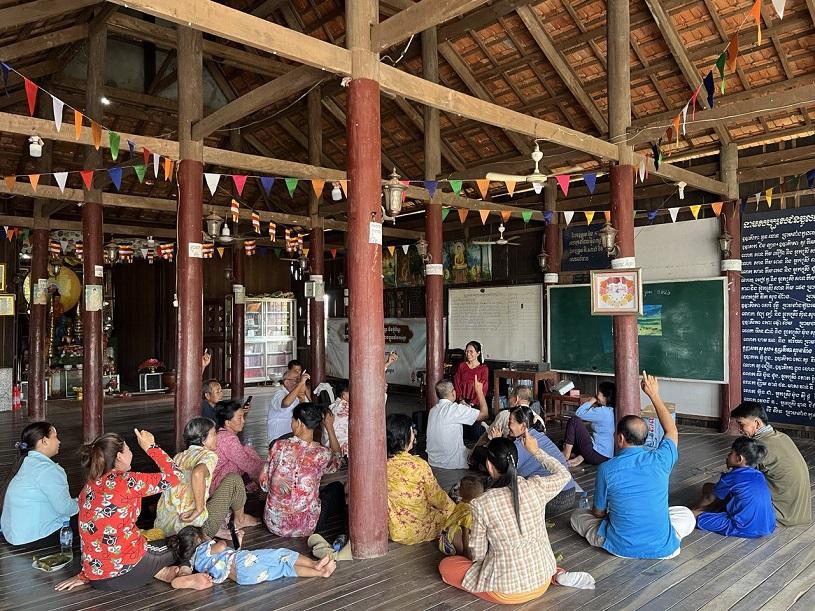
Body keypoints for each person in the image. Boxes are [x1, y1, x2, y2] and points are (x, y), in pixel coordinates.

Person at [571, 372, 695, 559]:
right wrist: (653, 394)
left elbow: (597, 513)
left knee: (577, 516)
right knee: (686, 514)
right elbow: (671, 429)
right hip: (664, 549)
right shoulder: (661, 459)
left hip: (619, 547)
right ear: (645, 439)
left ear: (620, 438)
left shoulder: (607, 468)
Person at [438, 434, 571, 605]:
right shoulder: (536, 487)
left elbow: (478, 555)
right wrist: (536, 451)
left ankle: (551, 574)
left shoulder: (482, 503)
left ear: (489, 466)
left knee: (446, 566)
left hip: (507, 592)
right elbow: (564, 474)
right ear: (515, 463)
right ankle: (557, 574)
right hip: (543, 579)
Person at [54, 429, 187, 591]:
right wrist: (151, 446)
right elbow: (176, 476)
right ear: (119, 457)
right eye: (129, 449)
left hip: (97, 578)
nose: (131, 452)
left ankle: (163, 572)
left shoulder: (89, 486)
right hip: (129, 571)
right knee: (190, 538)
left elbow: (89, 537)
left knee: (149, 539)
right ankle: (183, 573)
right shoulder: (128, 482)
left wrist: (85, 575)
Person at [167, 525, 336, 589]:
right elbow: (222, 547)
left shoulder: (197, 562)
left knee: (284, 569)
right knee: (282, 555)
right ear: (198, 539)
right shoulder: (205, 548)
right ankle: (314, 564)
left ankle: (322, 572)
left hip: (244, 577)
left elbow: (224, 561)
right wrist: (217, 541)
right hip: (243, 562)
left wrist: (238, 543)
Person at [264, 403, 343, 537]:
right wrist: (330, 429)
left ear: (299, 423)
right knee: (336, 488)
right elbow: (337, 461)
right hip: (304, 526)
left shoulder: (278, 445)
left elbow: (264, 485)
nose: (291, 423)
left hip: (273, 522)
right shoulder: (321, 453)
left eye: (292, 420)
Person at [731, 401, 811, 526]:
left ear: (757, 423)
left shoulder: (757, 446)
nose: (740, 430)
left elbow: (740, 481)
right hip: (799, 512)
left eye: (741, 424)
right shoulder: (782, 436)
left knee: (721, 494)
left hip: (780, 515)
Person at [1, 422, 78, 546]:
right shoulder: (48, 470)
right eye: (55, 436)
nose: (59, 441)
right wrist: (82, 502)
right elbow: (65, 509)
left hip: (13, 535)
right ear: (44, 441)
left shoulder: (26, 462)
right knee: (90, 514)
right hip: (34, 538)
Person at [386, 413, 454, 545]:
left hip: (391, 527)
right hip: (415, 529)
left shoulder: (378, 463)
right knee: (448, 512)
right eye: (411, 431)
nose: (414, 434)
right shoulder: (418, 465)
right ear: (403, 437)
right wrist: (455, 508)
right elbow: (437, 497)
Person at [691, 437, 775, 538]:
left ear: (739, 459)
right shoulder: (759, 475)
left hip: (743, 527)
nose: (727, 456)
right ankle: (712, 511)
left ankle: (702, 513)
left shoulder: (732, 477)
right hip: (768, 526)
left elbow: (709, 498)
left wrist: (691, 509)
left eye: (731, 453)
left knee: (689, 517)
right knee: (708, 487)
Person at [507, 406, 576, 513]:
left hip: (556, 499)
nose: (508, 425)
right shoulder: (537, 435)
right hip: (570, 493)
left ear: (523, 426)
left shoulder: (522, 443)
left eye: (511, 422)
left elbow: (506, 471)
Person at [211, 401, 265, 516]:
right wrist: (267, 468)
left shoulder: (222, 433)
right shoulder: (228, 438)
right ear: (227, 422)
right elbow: (245, 463)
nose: (243, 421)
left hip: (214, 480)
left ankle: (260, 485)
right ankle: (263, 487)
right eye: (239, 418)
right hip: (214, 486)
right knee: (242, 460)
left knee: (246, 450)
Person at [426, 378, 489, 470]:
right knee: (485, 440)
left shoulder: (433, 410)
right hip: (453, 462)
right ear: (453, 392)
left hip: (433, 460)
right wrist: (479, 391)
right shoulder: (454, 409)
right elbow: (485, 415)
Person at [562, 381, 616, 467]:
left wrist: (593, 399)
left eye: (599, 393)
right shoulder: (612, 410)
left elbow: (579, 413)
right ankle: (581, 457)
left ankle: (566, 454)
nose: (597, 394)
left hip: (596, 454)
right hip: (606, 455)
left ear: (605, 397)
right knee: (572, 439)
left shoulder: (602, 412)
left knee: (574, 421)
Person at [439, 476, 484, 556]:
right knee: (458, 531)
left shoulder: (462, 503)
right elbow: (465, 533)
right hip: (449, 545)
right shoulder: (470, 510)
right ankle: (462, 554)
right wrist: (466, 551)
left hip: (445, 536)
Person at [267, 369, 310, 442]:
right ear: (286, 382)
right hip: (279, 439)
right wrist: (300, 383)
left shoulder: (297, 394)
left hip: (295, 437)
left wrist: (302, 395)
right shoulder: (279, 394)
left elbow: (309, 413)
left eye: (299, 379)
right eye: (296, 379)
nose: (298, 382)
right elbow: (286, 403)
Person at [453, 341, 489, 406]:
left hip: (476, 404)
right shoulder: (462, 365)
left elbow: (484, 387)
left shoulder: (483, 369)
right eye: (467, 351)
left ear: (478, 353)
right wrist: (461, 399)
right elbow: (457, 382)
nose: (468, 354)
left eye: (471, 351)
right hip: (461, 402)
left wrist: (472, 403)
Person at [321, 384, 349, 457]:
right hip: (340, 449)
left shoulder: (332, 406)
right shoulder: (346, 408)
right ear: (344, 395)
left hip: (326, 445)